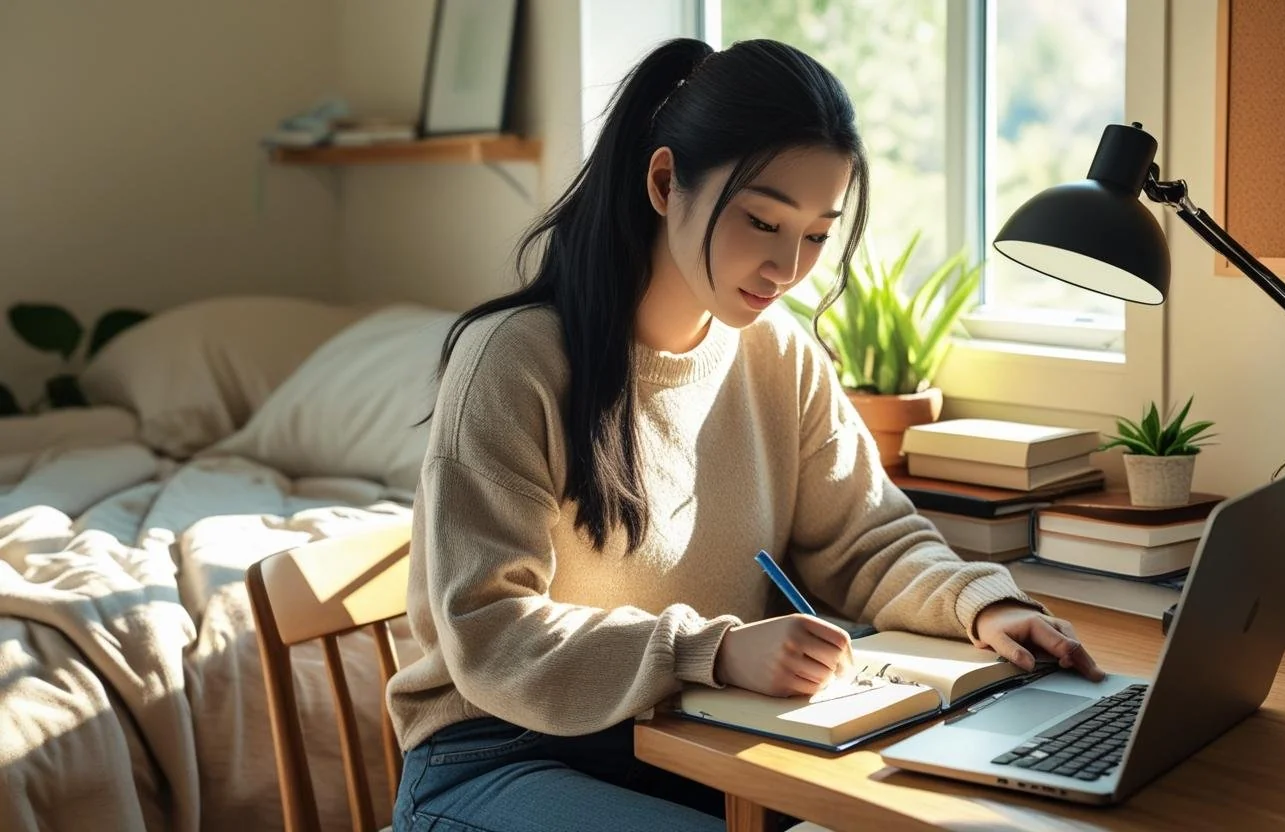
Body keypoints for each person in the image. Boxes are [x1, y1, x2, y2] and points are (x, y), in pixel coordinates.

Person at [386, 35, 1105, 832]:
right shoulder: (513, 361)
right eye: (763, 221)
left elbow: (866, 539)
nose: (787, 267)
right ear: (666, 183)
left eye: (817, 234)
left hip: (694, 741)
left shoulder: (778, 355)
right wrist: (716, 652)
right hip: (498, 757)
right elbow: (491, 629)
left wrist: (981, 606)